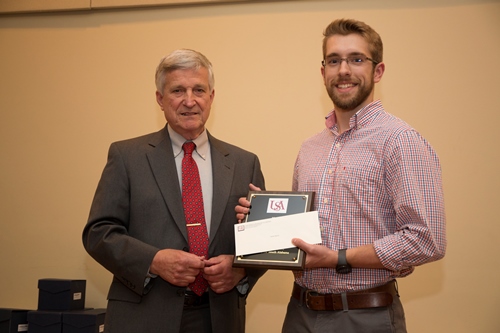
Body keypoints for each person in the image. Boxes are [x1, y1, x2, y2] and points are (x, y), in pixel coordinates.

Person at [236, 19, 446, 333]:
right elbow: (305, 236)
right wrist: (259, 223)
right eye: (334, 60)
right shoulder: (310, 148)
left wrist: (338, 258)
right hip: (300, 313)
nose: (344, 69)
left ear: (378, 71)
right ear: (323, 72)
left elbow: (426, 240)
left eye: (356, 59)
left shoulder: (401, 141)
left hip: (365, 316)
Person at [83, 49, 266, 333]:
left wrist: (241, 270)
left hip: (219, 318)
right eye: (178, 90)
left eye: (199, 90)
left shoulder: (245, 163)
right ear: (160, 98)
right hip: (143, 317)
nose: (189, 101)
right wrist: (154, 261)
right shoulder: (126, 156)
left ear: (212, 97)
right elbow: (99, 233)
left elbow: (263, 240)